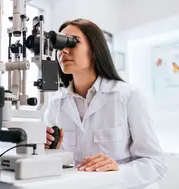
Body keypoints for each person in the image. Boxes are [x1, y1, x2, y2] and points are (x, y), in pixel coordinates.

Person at [44, 19, 167, 188]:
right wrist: (48, 150)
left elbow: (156, 163)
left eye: (71, 42)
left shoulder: (127, 96)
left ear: (94, 50)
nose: (63, 51)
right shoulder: (56, 104)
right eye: (59, 44)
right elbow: (60, 164)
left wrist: (118, 170)